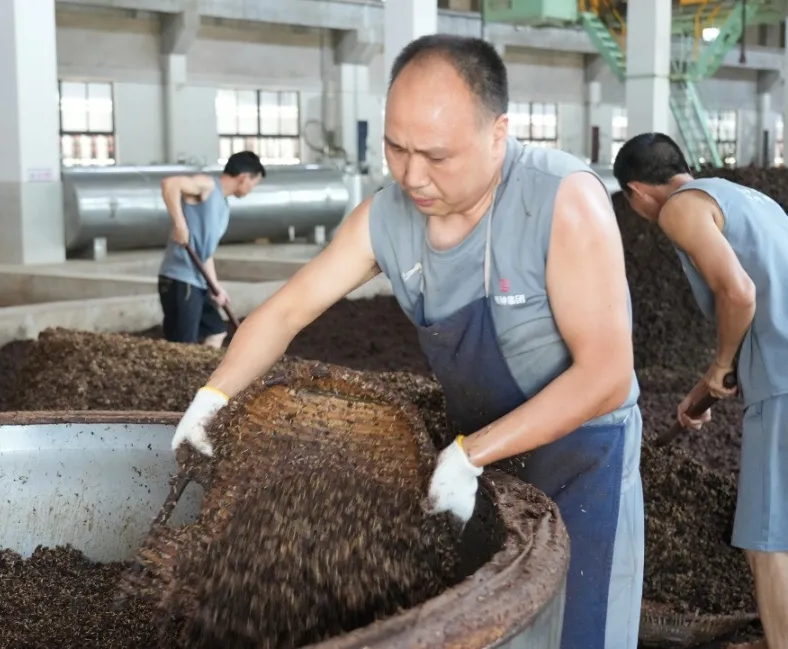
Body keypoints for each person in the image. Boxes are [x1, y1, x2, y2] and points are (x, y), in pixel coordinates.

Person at [170, 34, 643, 649]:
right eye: (396, 148)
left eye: (437, 157)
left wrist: (471, 454)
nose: (412, 175)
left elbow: (606, 373)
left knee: (578, 632)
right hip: (483, 464)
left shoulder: (560, 201)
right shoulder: (385, 218)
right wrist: (213, 396)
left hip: (582, 461)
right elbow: (285, 313)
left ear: (498, 133)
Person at [613, 132, 788, 649]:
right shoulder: (749, 201)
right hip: (776, 368)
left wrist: (721, 363)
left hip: (782, 382)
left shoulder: (678, 209)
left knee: (768, 539)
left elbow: (740, 292)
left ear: (637, 192)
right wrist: (702, 393)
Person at [157, 151, 265, 347]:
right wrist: (180, 225)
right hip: (180, 280)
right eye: (253, 183)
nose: (251, 189)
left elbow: (206, 254)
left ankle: (205, 377)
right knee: (182, 347)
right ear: (243, 178)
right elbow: (170, 184)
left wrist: (216, 288)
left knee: (216, 331)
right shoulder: (207, 185)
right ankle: (182, 377)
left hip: (198, 282)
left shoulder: (223, 206)